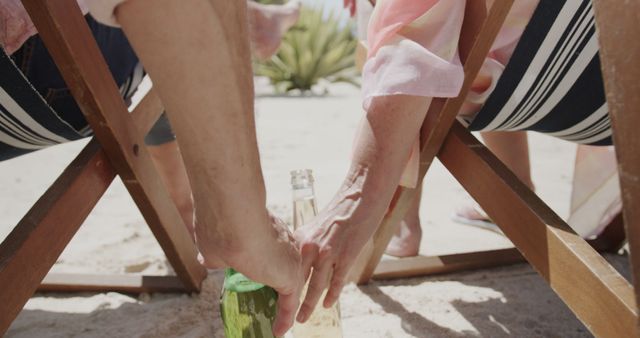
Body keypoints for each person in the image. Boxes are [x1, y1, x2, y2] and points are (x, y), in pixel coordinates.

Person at [2, 0, 303, 335]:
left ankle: (184, 208)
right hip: (35, 71)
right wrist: (240, 220)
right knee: (163, 36)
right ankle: (247, 14)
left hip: (17, 94)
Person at [294, 0, 543, 324]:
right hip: (593, 82)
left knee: (412, 46)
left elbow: (414, 53)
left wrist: (360, 188)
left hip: (497, 68)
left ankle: (404, 227)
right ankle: (517, 197)